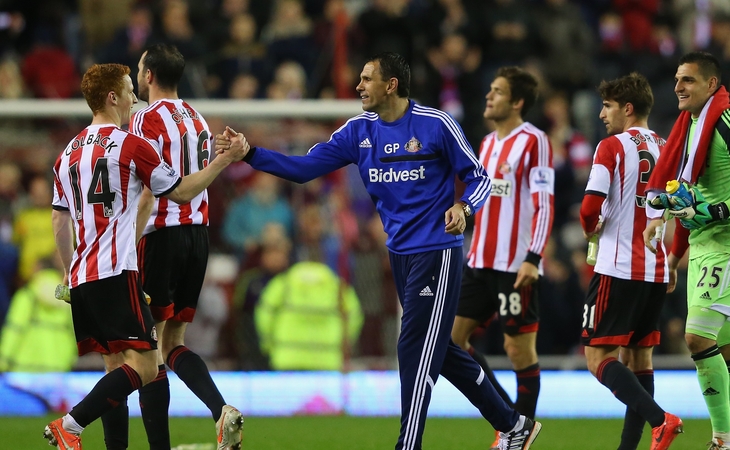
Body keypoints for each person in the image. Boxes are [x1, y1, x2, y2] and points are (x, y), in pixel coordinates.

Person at [217, 52, 541, 450]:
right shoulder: (357, 132)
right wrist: (250, 153)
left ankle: (408, 443)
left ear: (391, 85)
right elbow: (302, 169)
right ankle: (513, 424)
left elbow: (479, 177)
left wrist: (464, 207)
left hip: (437, 251)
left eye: (367, 79)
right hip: (400, 254)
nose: (358, 86)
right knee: (442, 351)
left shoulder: (436, 124)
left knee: (412, 346)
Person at [45, 62, 247, 450]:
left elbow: (58, 221)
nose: (134, 98)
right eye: (128, 90)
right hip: (117, 271)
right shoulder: (131, 145)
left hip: (82, 277)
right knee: (147, 366)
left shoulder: (66, 155)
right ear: (112, 97)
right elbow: (182, 193)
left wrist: (70, 271)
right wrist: (223, 160)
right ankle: (70, 425)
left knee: (115, 368)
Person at [644, 52, 730, 450]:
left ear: (711, 85)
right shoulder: (689, 128)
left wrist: (721, 209)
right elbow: (688, 196)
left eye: (687, 80)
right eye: (676, 79)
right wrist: (671, 249)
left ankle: (722, 439)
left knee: (697, 339)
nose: (678, 87)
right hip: (704, 241)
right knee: (728, 349)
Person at [124, 43, 243, 450]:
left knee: (146, 350)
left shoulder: (144, 120)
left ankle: (159, 446)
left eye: (140, 69)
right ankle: (221, 409)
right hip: (198, 235)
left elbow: (147, 191)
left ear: (149, 75)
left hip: (161, 237)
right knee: (174, 343)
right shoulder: (196, 117)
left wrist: (128, 242)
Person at [448, 66, 553, 449]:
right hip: (478, 261)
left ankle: (517, 434)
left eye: (497, 91)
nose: (489, 97)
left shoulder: (535, 141)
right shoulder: (488, 143)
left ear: (517, 101)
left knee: (518, 349)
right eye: (489, 90)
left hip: (514, 265)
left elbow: (544, 202)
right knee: (451, 340)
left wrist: (534, 256)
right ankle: (512, 423)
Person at [580, 72, 683, 450]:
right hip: (655, 269)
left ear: (627, 108)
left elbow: (590, 206)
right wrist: (671, 259)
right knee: (640, 361)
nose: (602, 114)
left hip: (617, 267)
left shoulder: (611, 147)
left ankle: (661, 420)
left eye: (607, 107)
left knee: (597, 357)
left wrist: (591, 228)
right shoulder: (668, 147)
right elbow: (676, 208)